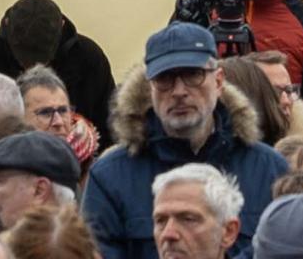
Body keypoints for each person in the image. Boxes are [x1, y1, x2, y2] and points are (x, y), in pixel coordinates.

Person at [83, 26, 286, 259]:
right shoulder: (111, 177)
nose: (179, 91)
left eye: (192, 75)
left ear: (218, 81)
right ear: (150, 88)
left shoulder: (269, 170)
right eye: (165, 79)